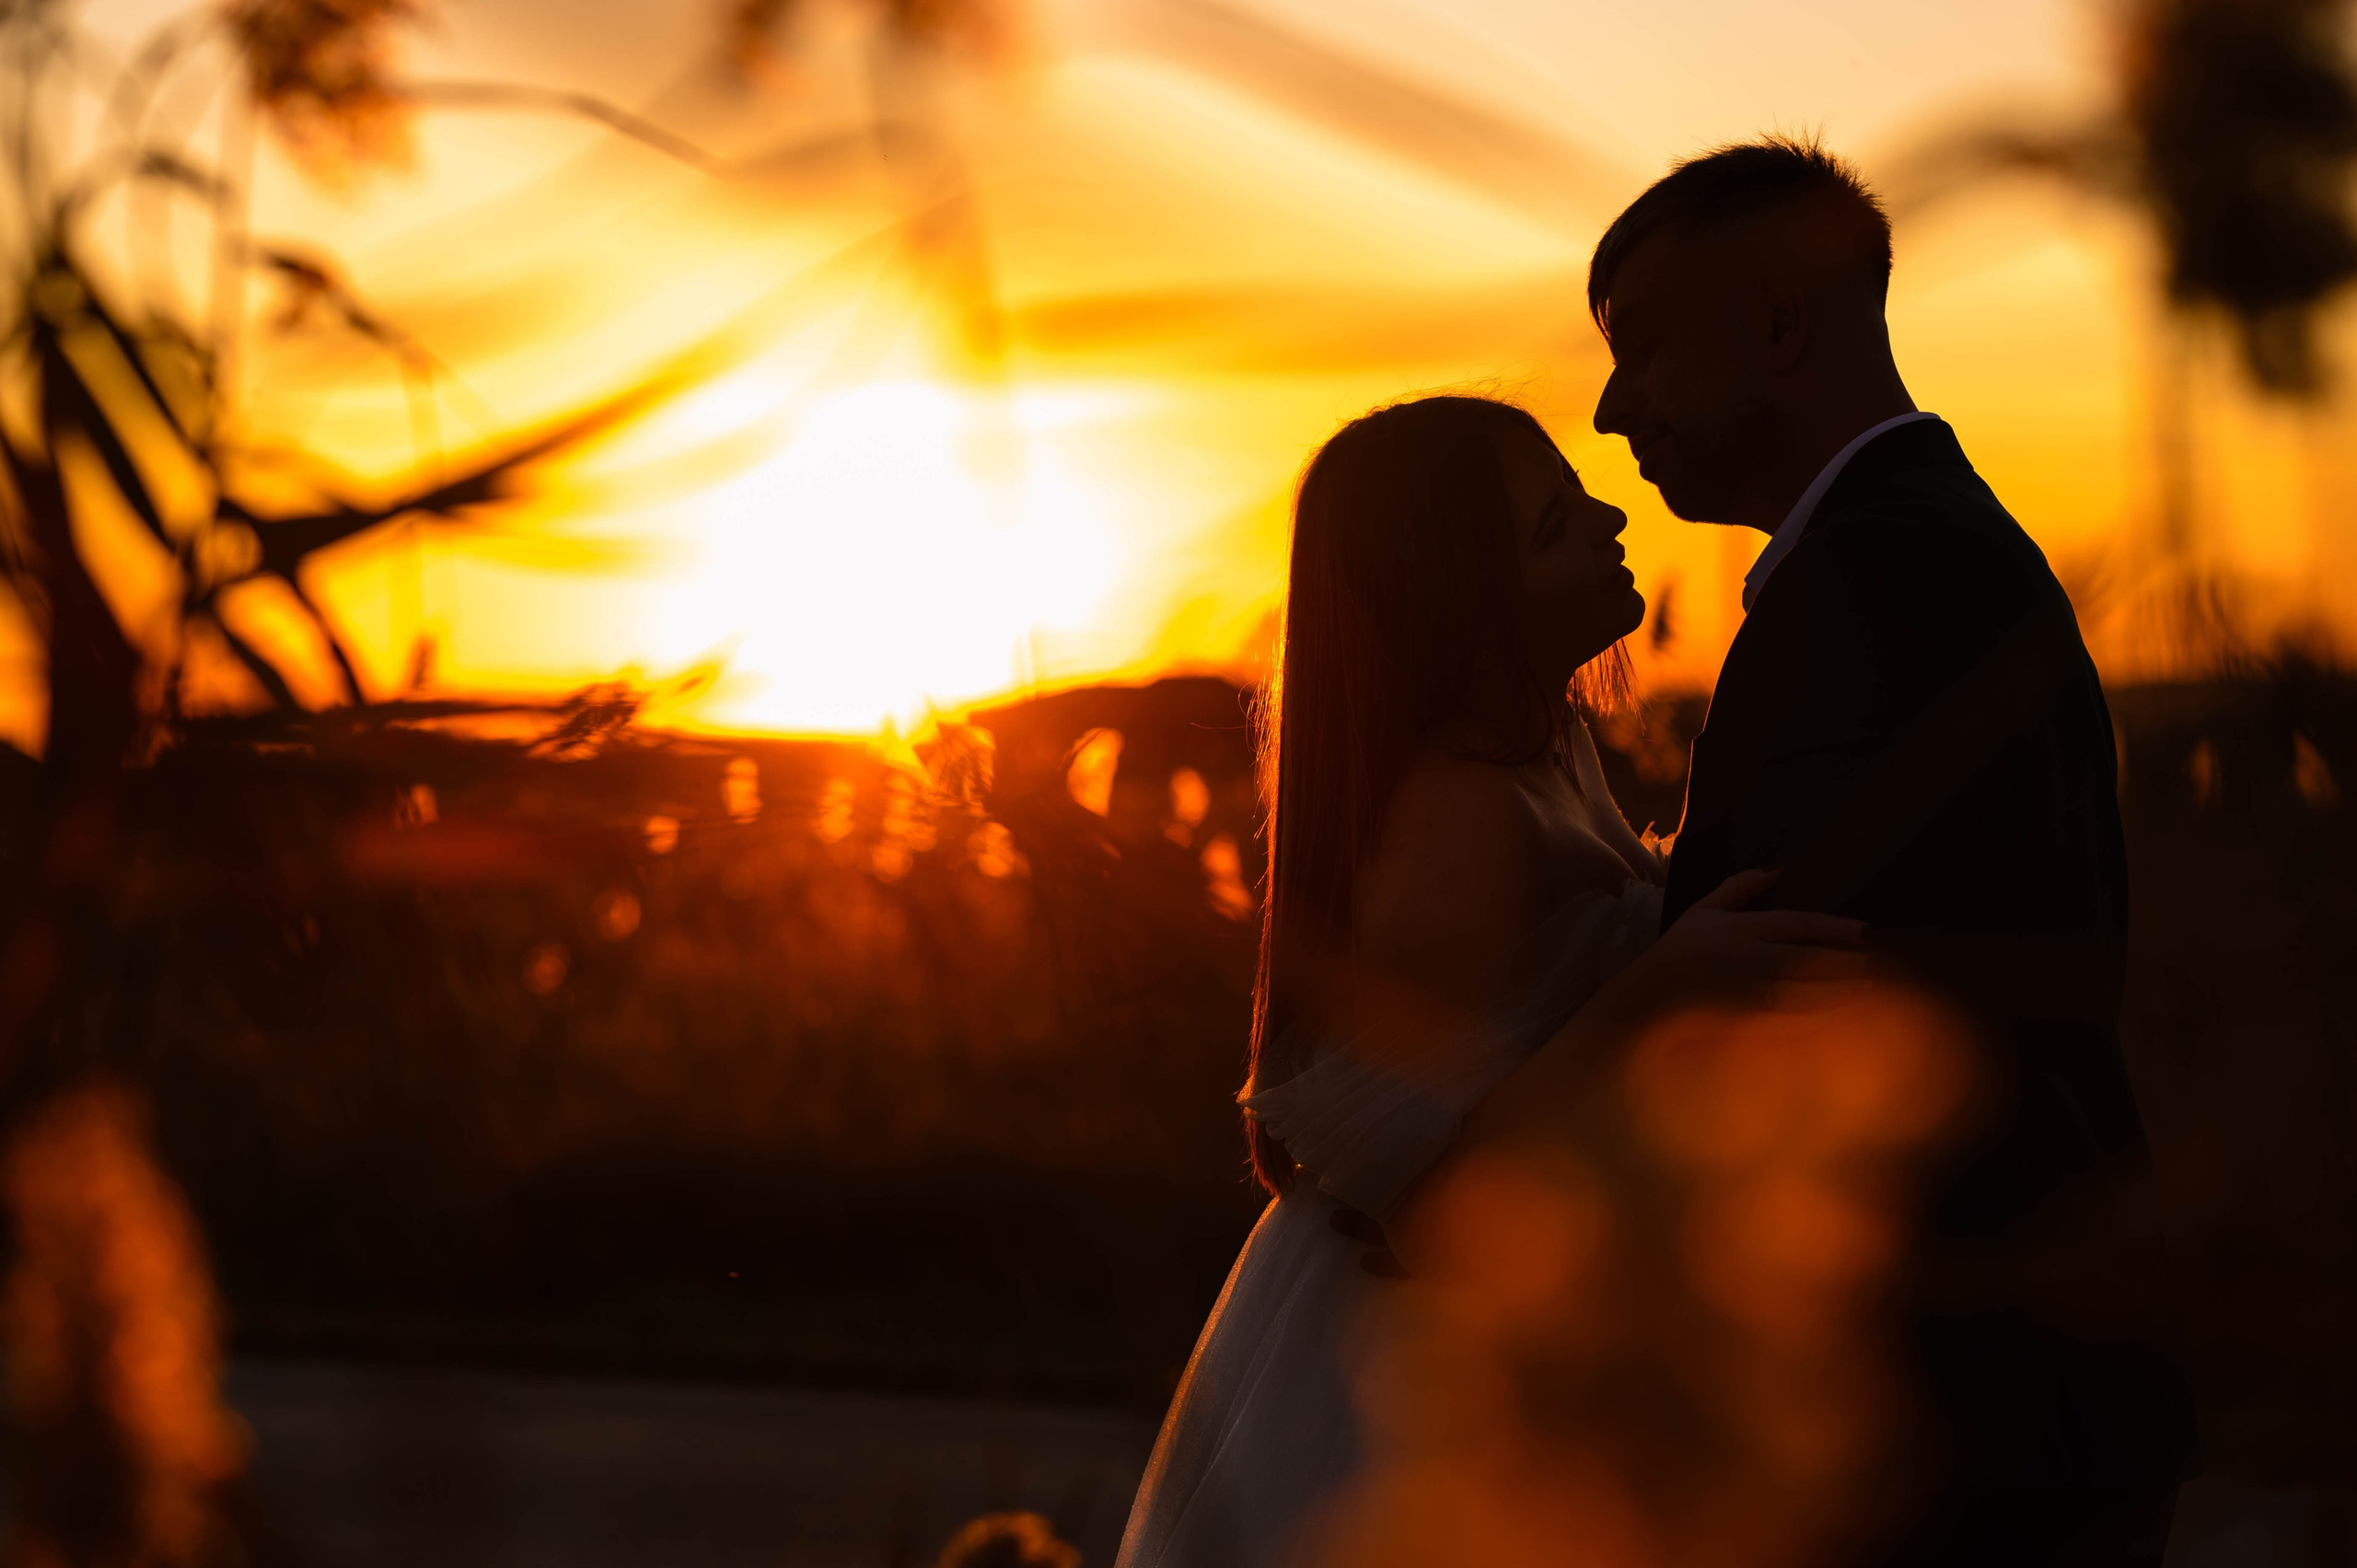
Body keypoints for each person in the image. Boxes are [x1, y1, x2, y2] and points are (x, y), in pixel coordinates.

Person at [1114, 394, 1865, 1568]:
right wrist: (1662, 983)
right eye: (1558, 528)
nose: (1615, 518)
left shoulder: (1544, 745)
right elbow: (1424, 1194)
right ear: (1468, 606)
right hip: (1398, 1366)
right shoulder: (1452, 822)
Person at [1579, 135, 2194, 1564]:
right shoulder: (1914, 549)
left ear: (1780, 328)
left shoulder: (1875, 583)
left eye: (1643, 347)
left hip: (1945, 1417)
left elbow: (1789, 1031)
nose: (1613, 410)